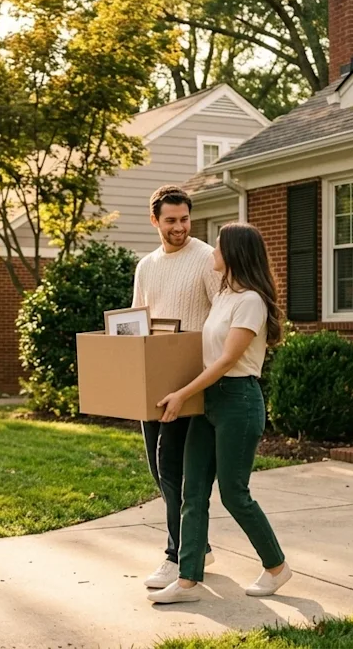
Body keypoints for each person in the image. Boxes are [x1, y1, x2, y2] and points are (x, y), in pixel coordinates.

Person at [147, 222, 291, 604]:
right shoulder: (226, 295)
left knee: (234, 494)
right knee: (192, 491)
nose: (212, 252)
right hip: (209, 401)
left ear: (235, 254)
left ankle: (277, 566)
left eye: (218, 246)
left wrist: (182, 395)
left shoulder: (251, 301)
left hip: (238, 402)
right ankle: (187, 581)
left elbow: (227, 360)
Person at [131, 185, 220, 590]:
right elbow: (136, 321)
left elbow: (223, 315)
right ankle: (197, 546)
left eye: (185, 219)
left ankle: (177, 554)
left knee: (173, 469)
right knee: (158, 468)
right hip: (153, 380)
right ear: (155, 221)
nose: (180, 227)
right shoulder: (146, 266)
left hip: (191, 381)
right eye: (171, 220)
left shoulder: (206, 259)